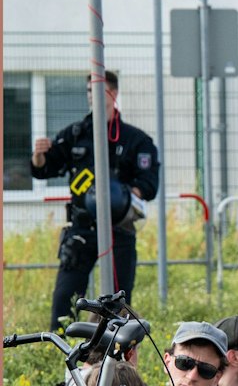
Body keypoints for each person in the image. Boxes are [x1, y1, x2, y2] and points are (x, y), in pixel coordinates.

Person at [31, 69, 161, 328]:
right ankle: (63, 357)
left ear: (112, 93)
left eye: (97, 91)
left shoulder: (137, 140)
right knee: (64, 303)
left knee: (118, 306)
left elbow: (149, 185)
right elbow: (43, 169)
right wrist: (39, 155)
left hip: (118, 231)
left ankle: (115, 360)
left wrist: (122, 196)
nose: (91, 96)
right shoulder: (75, 134)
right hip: (82, 230)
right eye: (89, 91)